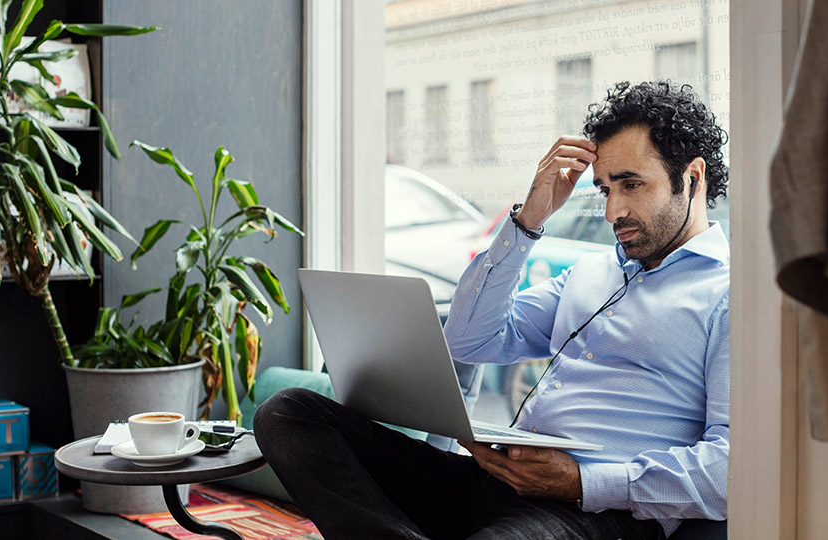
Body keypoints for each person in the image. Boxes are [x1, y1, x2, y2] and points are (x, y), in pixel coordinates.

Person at [254, 80, 730, 539]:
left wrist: (581, 482)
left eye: (631, 185)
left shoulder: (730, 297)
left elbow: (730, 465)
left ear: (692, 177)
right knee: (289, 413)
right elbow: (471, 340)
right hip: (494, 483)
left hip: (597, 513)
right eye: (606, 190)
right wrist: (528, 221)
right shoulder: (591, 274)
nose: (612, 212)